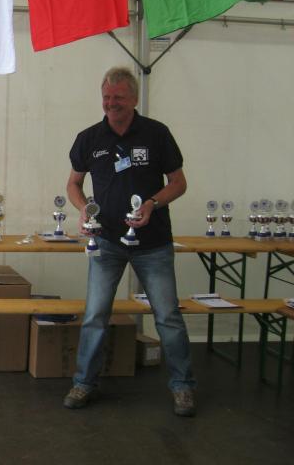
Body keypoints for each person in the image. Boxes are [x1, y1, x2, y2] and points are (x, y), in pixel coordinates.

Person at [64, 66, 196, 416]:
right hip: (106, 242)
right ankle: (84, 383)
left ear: (134, 99)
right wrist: (83, 209)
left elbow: (179, 183)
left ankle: (183, 387)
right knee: (95, 315)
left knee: (167, 316)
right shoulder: (89, 138)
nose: (111, 104)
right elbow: (74, 184)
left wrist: (152, 204)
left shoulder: (157, 134)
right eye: (106, 97)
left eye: (119, 98)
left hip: (153, 243)